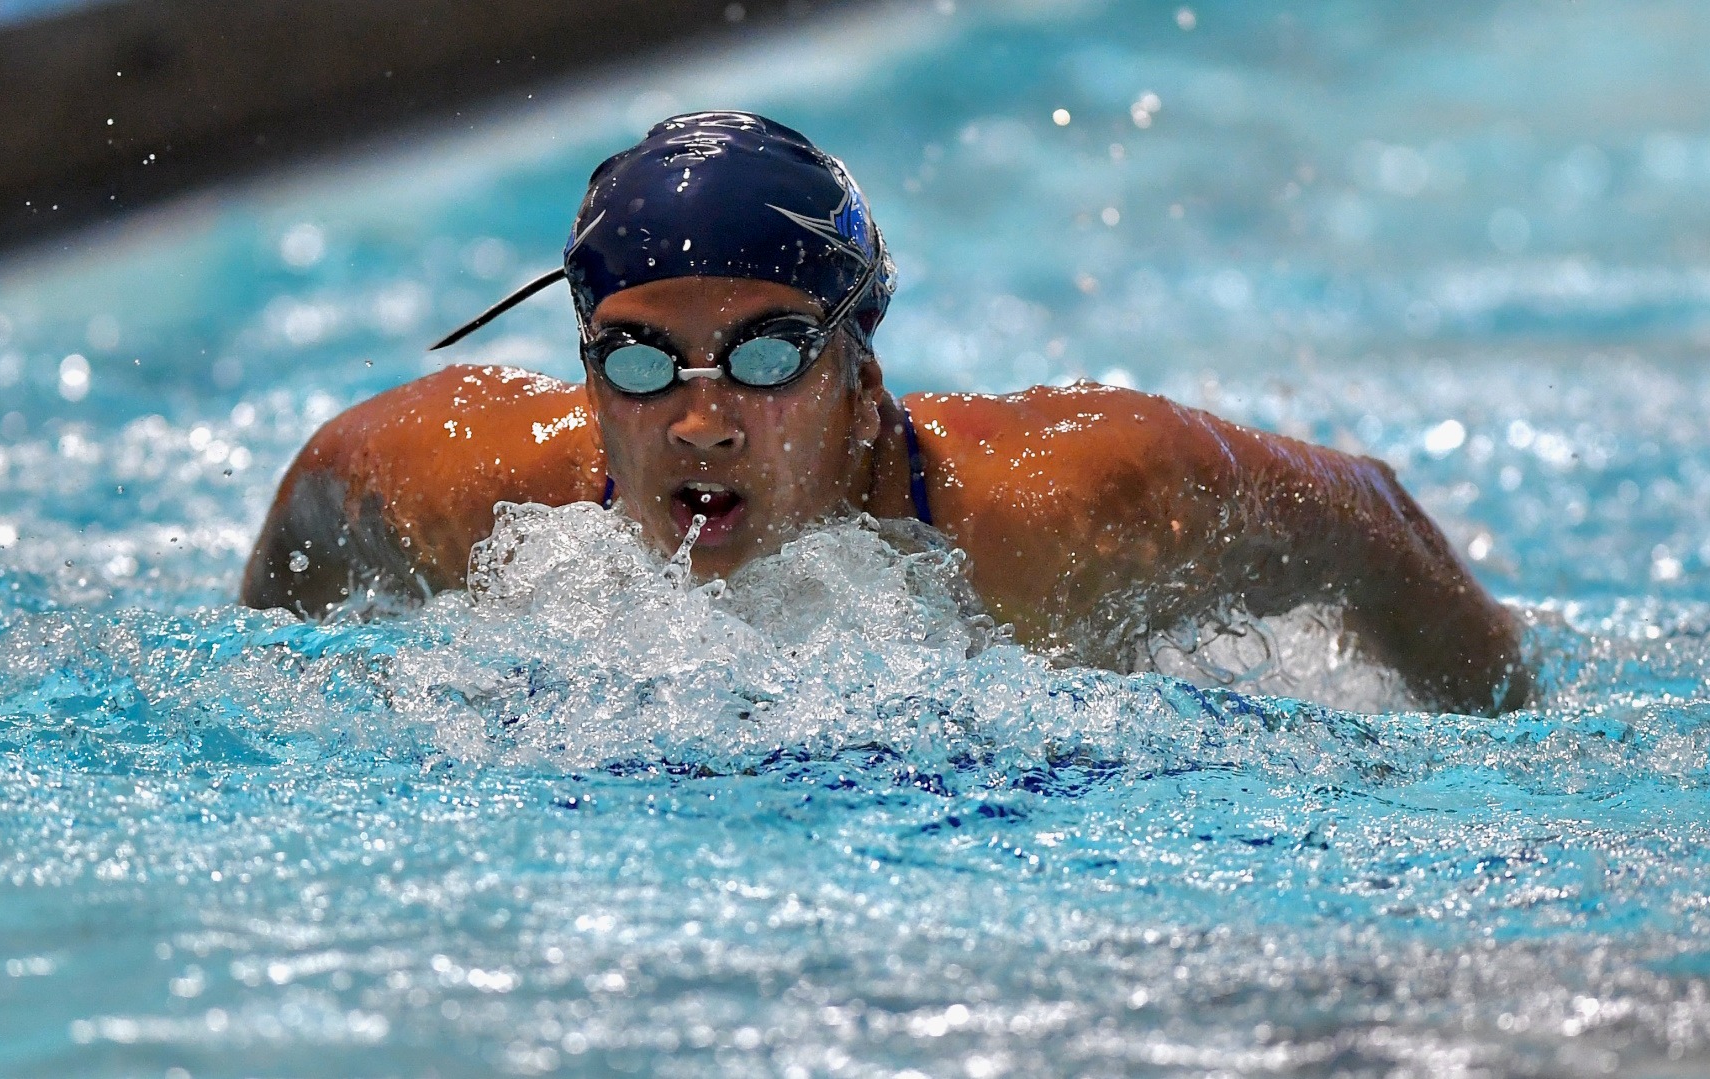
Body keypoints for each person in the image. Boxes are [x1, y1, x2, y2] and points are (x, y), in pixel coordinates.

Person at [241, 111, 1530, 715]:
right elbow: (307, 513)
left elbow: (1372, 513)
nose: (700, 422)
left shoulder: (1067, 503)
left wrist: (1497, 752)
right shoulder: (454, 481)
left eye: (766, 356)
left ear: (862, 375)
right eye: (641, 364)